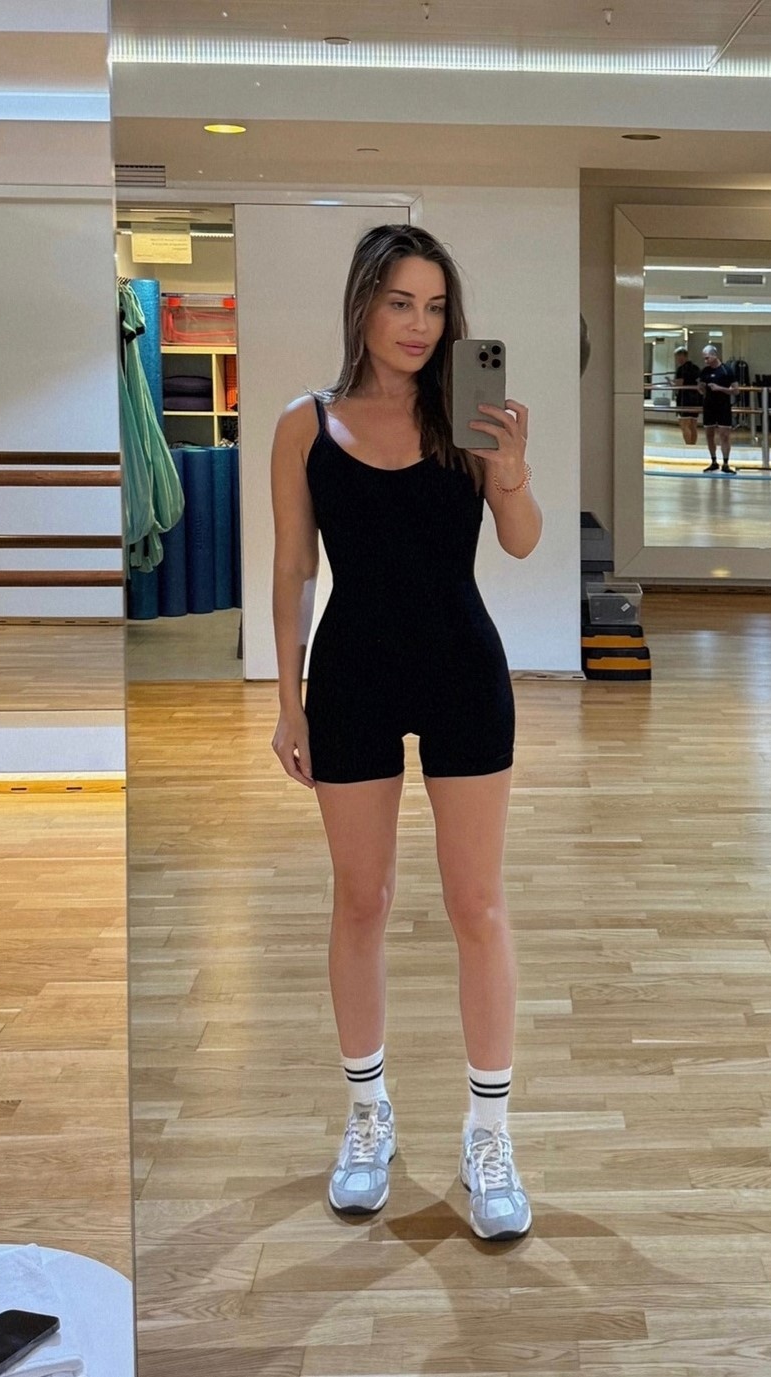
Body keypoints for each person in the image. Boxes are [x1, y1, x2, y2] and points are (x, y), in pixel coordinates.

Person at [269, 224, 542, 1241]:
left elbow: (522, 540)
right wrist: (288, 700)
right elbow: (294, 567)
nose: (419, 325)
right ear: (363, 305)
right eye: (399, 303)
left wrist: (509, 469)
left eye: (434, 306)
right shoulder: (305, 424)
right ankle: (368, 1115)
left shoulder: (468, 415)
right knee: (361, 901)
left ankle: (489, 1132)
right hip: (353, 677)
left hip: (463, 670)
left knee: (478, 904)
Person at [699, 344, 739, 473]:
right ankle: (713, 461)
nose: (706, 361)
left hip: (723, 406)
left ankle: (726, 463)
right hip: (709, 406)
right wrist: (701, 388)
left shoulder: (726, 370)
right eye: (704, 359)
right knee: (709, 435)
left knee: (724, 435)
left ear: (714, 355)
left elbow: (736, 390)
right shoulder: (705, 371)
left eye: (707, 358)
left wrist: (720, 388)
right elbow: (701, 389)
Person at [672, 347, 701, 446]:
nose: (677, 359)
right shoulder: (696, 368)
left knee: (684, 425)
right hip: (695, 399)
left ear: (682, 356)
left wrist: (671, 383)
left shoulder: (681, 369)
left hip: (684, 399)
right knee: (693, 425)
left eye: (677, 357)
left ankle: (689, 446)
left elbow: (679, 384)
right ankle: (693, 446)